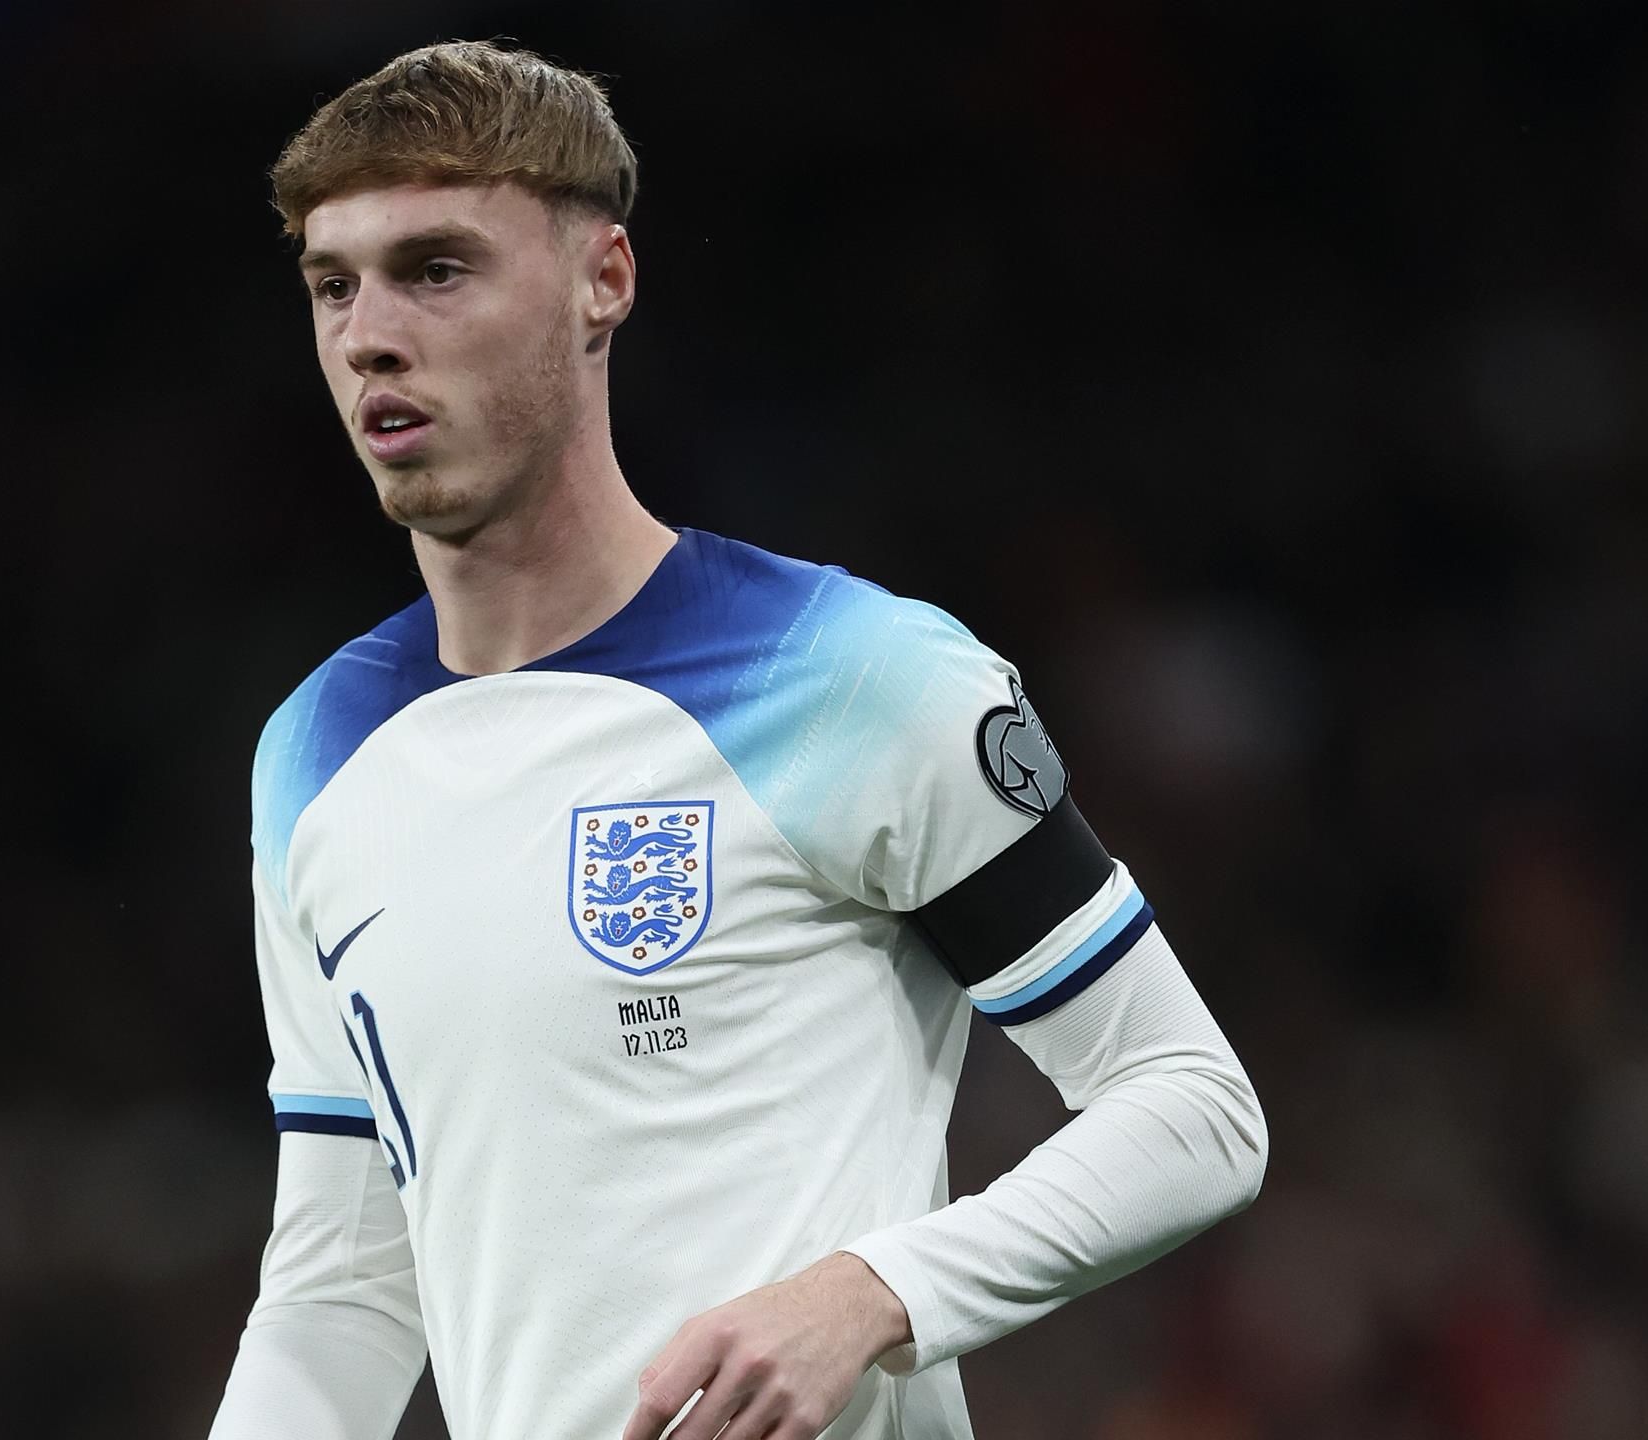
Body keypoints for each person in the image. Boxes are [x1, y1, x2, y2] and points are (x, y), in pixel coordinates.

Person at [208, 40, 1266, 1440]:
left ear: (604, 280)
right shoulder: (315, 755)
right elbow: (341, 1285)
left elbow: (1192, 1109)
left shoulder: (850, 677)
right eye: (334, 285)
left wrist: (869, 1295)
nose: (369, 336)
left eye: (437, 269)